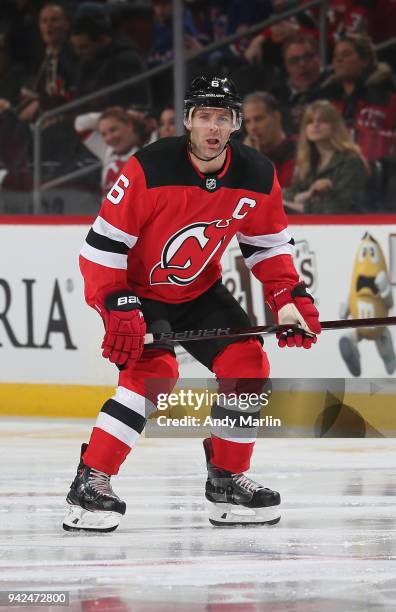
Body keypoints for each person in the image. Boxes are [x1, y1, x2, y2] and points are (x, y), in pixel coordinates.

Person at [63, 76, 321, 533]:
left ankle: (226, 478)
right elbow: (100, 250)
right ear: (187, 122)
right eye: (204, 117)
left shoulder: (257, 173)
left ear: (236, 124)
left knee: (248, 364)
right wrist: (115, 305)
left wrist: (287, 299)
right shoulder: (150, 167)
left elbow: (267, 245)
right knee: (153, 376)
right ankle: (91, 480)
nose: (213, 127)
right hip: (138, 292)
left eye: (222, 117)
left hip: (199, 291)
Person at [283, 100, 369, 214]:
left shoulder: (351, 161)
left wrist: (303, 207)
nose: (315, 125)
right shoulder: (307, 162)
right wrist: (308, 194)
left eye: (322, 121)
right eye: (310, 121)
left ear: (335, 126)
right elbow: (288, 195)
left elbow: (342, 206)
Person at [75, 106, 145, 194]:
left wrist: (124, 116)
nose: (109, 138)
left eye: (113, 130)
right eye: (104, 134)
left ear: (129, 125)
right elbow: (80, 123)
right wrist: (124, 114)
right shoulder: (107, 151)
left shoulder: (146, 152)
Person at [242, 91, 296, 188]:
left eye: (258, 119)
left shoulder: (299, 149)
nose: (252, 128)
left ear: (276, 117)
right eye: (247, 122)